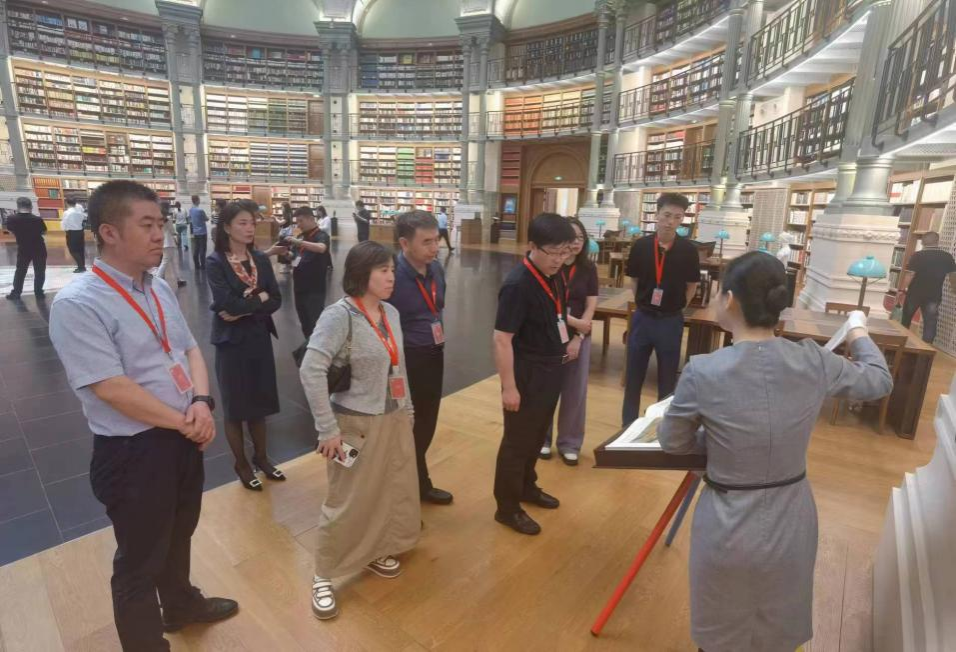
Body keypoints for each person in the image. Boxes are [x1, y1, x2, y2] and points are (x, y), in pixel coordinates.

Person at [657, 251, 893, 652]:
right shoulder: (813, 359)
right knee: (777, 630)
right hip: (792, 515)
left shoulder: (704, 370)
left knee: (722, 632)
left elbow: (673, 442)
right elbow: (878, 380)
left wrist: (718, 444)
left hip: (728, 518)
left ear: (729, 300)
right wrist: (857, 332)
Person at [47, 180, 238, 651]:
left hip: (183, 433)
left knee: (179, 532)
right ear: (109, 232)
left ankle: (181, 605)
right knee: (138, 562)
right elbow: (111, 388)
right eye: (147, 225)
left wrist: (201, 402)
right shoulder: (79, 303)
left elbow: (188, 348)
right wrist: (186, 420)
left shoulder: (157, 287)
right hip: (134, 451)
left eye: (161, 224)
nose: (160, 235)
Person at [300, 241, 420, 620]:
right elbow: (311, 370)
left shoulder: (390, 313)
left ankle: (374, 550)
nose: (391, 277)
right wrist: (327, 429)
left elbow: (398, 367)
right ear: (361, 274)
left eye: (392, 270)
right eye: (383, 270)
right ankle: (323, 574)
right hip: (354, 423)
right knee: (346, 499)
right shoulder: (339, 316)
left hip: (392, 417)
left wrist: (407, 408)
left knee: (387, 488)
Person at [492, 213, 576, 536]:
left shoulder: (555, 274)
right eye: (552, 252)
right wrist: (509, 387)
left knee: (537, 434)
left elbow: (558, 316)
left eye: (564, 252)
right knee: (517, 442)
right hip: (526, 372)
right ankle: (507, 507)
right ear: (531, 246)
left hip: (550, 369)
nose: (559, 259)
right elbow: (502, 339)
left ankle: (527, 486)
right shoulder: (518, 285)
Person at [206, 202, 285, 490]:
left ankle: (261, 458)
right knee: (235, 406)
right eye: (242, 223)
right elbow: (226, 303)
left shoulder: (260, 259)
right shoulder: (216, 262)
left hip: (258, 337)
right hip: (231, 342)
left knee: (259, 403)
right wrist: (258, 299)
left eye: (252, 222)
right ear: (227, 227)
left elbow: (276, 299)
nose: (250, 228)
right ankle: (241, 464)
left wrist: (246, 307)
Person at [390, 210, 453, 504]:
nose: (435, 247)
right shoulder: (391, 275)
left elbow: (437, 306)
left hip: (433, 353)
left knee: (427, 421)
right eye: (426, 242)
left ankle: (418, 482)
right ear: (405, 243)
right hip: (405, 361)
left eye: (436, 240)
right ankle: (404, 490)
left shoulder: (436, 269)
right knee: (405, 425)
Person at [622, 192, 701, 426]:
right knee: (633, 376)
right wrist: (643, 303)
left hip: (670, 320)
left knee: (667, 380)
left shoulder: (688, 250)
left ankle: (663, 429)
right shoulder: (640, 246)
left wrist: (678, 308)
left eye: (678, 217)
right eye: (666, 215)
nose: (670, 222)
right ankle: (627, 425)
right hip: (643, 318)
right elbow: (634, 280)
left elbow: (692, 286)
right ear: (656, 215)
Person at [540, 217, 598, 466]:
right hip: (551, 334)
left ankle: (570, 443)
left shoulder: (588, 268)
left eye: (580, 238)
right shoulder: (551, 265)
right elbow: (551, 305)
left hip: (579, 336)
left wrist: (579, 334)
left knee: (575, 391)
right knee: (546, 388)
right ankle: (542, 439)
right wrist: (574, 323)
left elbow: (591, 304)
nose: (576, 243)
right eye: (571, 238)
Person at [898, 231, 956, 344]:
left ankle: (901, 342)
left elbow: (910, 274)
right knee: (930, 322)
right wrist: (954, 289)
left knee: (906, 318)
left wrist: (902, 289)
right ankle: (926, 347)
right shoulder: (947, 256)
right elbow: (953, 276)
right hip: (934, 295)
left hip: (914, 293)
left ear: (923, 242)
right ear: (938, 241)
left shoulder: (917, 256)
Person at [285, 206, 331, 340]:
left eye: (301, 221)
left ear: (311, 219)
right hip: (299, 286)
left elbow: (321, 248)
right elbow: (295, 256)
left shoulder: (321, 235)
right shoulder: (300, 236)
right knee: (304, 320)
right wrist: (286, 254)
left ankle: (317, 347)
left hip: (314, 288)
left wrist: (300, 243)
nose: (298, 225)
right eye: (297, 222)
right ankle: (308, 346)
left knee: (315, 321)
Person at [5, 196, 47, 300]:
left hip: (23, 248)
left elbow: (10, 230)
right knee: (40, 271)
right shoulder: (37, 219)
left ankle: (16, 293)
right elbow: (44, 232)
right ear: (31, 206)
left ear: (18, 206)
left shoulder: (11, 218)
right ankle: (39, 293)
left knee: (20, 271)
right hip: (39, 248)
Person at [155, 201, 186, 288]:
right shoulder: (168, 220)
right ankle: (156, 279)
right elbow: (172, 231)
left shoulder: (158, 219)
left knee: (172, 262)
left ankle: (178, 279)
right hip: (169, 242)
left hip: (163, 242)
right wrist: (176, 234)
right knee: (165, 262)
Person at [61, 196, 87, 272]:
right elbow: (85, 218)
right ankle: (82, 266)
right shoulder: (79, 212)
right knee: (80, 249)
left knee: (73, 250)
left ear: (67, 203)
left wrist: (65, 230)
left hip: (72, 233)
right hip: (80, 232)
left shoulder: (66, 213)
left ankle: (81, 267)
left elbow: (64, 223)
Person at [188, 195, 209, 270]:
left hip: (195, 232)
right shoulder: (200, 210)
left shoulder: (191, 210)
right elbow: (206, 218)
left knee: (196, 248)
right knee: (203, 249)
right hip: (202, 232)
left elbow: (190, 219)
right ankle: (203, 265)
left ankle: (196, 265)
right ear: (197, 200)